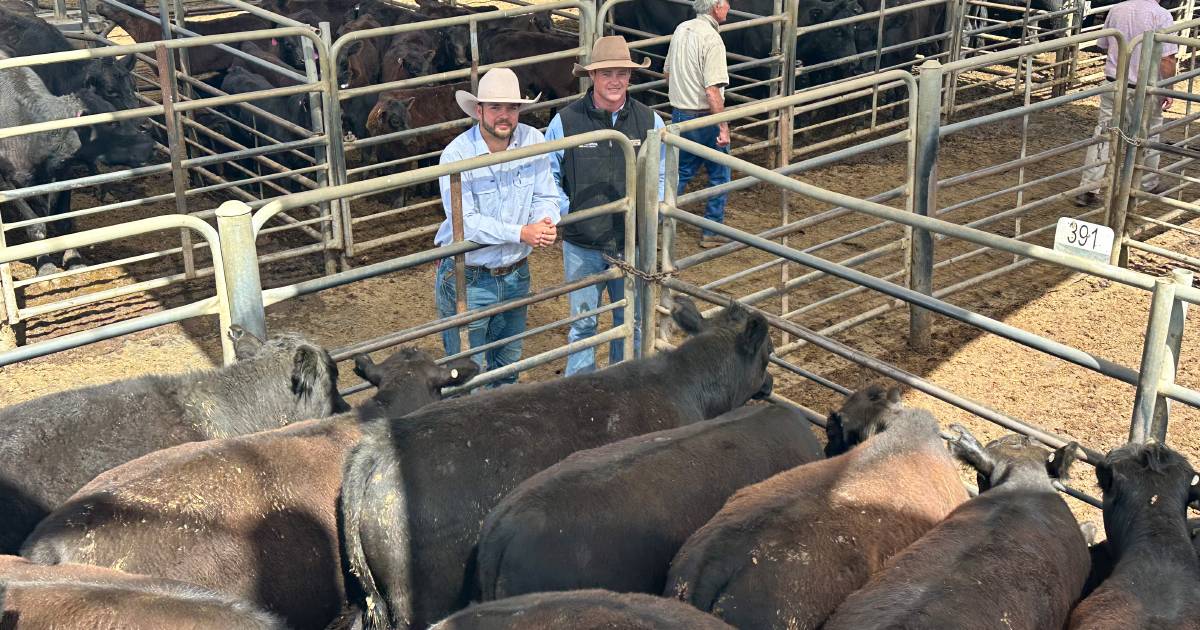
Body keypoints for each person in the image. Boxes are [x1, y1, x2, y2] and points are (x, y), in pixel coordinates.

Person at [545, 35, 666, 375]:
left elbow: (659, 175)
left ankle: (625, 387)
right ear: (593, 77)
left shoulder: (650, 121)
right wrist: (568, 213)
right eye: (606, 73)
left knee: (632, 318)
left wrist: (649, 213)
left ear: (630, 77)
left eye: (622, 73)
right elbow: (548, 174)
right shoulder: (565, 121)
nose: (615, 81)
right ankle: (579, 395)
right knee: (583, 324)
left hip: (632, 242)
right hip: (583, 244)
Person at [434, 67, 560, 387]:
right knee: (466, 373)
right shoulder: (457, 155)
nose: (504, 116)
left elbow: (546, 193)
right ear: (479, 111)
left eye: (512, 108)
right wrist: (522, 232)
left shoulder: (533, 140)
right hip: (469, 275)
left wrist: (545, 221)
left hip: (516, 271)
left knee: (507, 365)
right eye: (495, 107)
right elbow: (467, 223)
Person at [1075, 0, 1177, 208]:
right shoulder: (1161, 15)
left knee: (1104, 133)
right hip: (1145, 86)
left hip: (1115, 82)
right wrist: (1168, 88)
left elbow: (1104, 45)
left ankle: (1088, 189)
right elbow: (1167, 60)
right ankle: (1146, 183)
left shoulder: (1116, 9)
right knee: (1148, 133)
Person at [664, 0, 732, 248]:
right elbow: (712, 90)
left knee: (679, 172)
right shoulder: (713, 40)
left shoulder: (681, 29)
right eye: (725, 3)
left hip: (680, 114)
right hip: (704, 116)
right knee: (720, 172)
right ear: (716, 7)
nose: (729, 7)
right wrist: (722, 126)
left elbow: (668, 73)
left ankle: (653, 221)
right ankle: (712, 229)